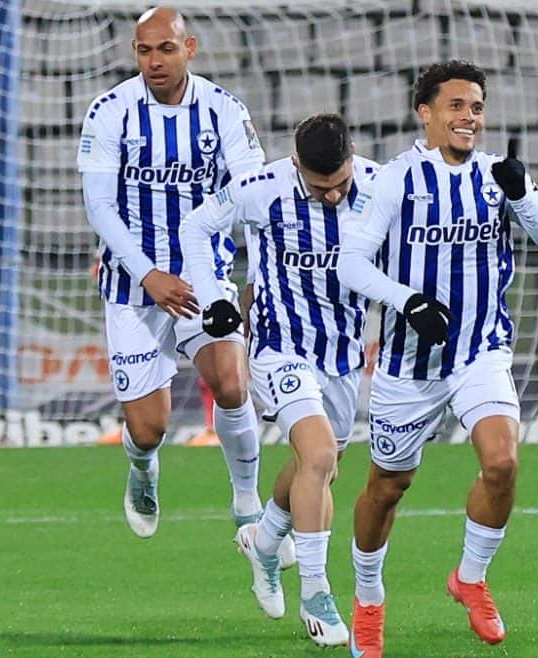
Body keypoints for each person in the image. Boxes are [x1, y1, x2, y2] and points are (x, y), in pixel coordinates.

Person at [336, 60, 538, 656]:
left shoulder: (497, 176)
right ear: (426, 113)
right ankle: (368, 599)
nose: (469, 117)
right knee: (387, 487)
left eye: (477, 107)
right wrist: (407, 301)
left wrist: (524, 195)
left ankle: (471, 578)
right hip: (409, 364)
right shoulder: (396, 179)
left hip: (479, 351)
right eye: (456, 106)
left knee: (503, 463)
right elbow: (351, 263)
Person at [180, 113, 378, 648]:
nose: (332, 195)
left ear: (352, 158)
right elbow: (195, 227)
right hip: (280, 348)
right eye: (319, 187)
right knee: (319, 456)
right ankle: (316, 592)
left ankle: (264, 542)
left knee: (321, 466)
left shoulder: (380, 186)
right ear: (296, 165)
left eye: (340, 183)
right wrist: (215, 299)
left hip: (343, 355)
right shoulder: (262, 188)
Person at [76, 6, 266, 538]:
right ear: (134, 53)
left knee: (231, 383)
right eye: (144, 50)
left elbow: (254, 196)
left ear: (190, 47)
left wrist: (257, 276)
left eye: (166, 48)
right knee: (148, 428)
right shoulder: (110, 111)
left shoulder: (224, 110)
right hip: (133, 285)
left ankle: (247, 499)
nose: (155, 61)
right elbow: (99, 208)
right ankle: (142, 469)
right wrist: (148, 275)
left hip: (204, 274)